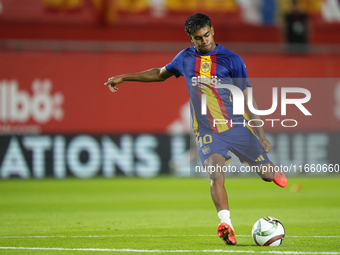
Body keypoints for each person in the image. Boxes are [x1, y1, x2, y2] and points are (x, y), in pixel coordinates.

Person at [104, 13, 287, 246]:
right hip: (206, 130)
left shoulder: (232, 60)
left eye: (206, 35)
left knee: (267, 176)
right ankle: (226, 225)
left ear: (212, 29)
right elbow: (160, 74)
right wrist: (125, 77)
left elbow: (247, 99)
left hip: (236, 127)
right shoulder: (185, 58)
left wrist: (261, 134)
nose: (204, 41)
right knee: (215, 172)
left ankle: (268, 167)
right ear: (190, 38)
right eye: (198, 38)